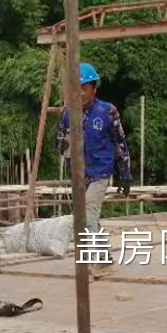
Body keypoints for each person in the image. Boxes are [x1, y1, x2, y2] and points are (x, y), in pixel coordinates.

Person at [55, 62, 132, 243]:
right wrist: (65, 143)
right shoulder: (67, 114)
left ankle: (95, 262)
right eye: (76, 88)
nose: (81, 93)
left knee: (88, 217)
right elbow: (59, 144)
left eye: (85, 88)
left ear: (93, 89)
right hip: (78, 175)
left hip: (100, 173)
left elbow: (119, 143)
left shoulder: (108, 112)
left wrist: (125, 174)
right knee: (86, 218)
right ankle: (103, 256)